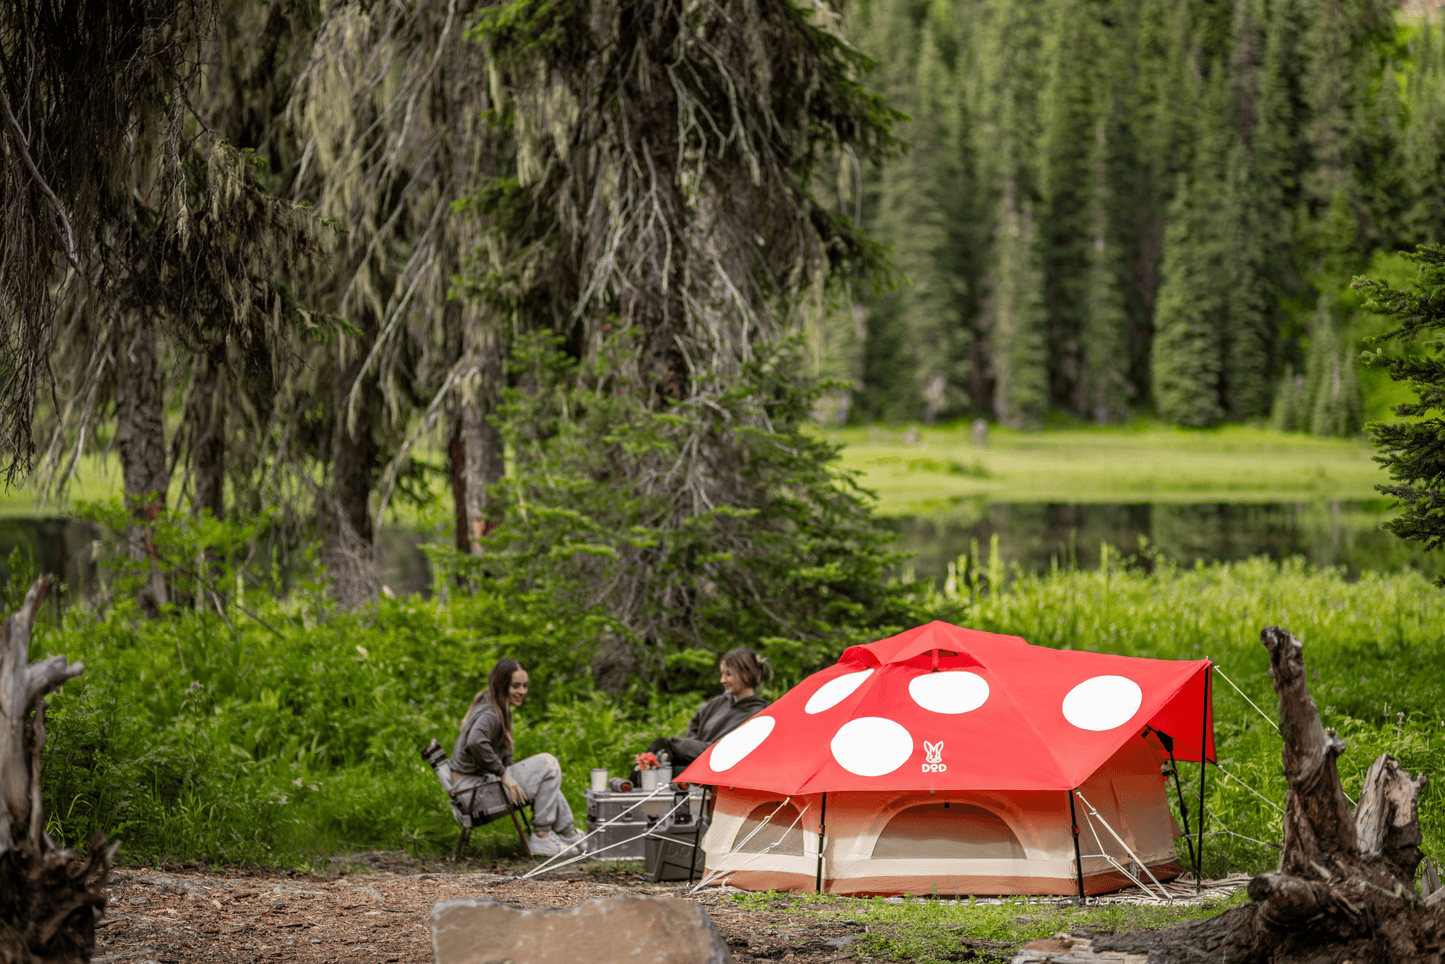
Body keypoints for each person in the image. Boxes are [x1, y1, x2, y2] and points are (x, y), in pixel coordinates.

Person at [446, 657, 586, 858]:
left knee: (545, 775)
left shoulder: (498, 708)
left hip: (477, 789)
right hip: (473, 795)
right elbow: (475, 742)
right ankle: (543, 837)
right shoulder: (490, 713)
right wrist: (506, 777)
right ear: (502, 685)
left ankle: (567, 833)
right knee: (549, 763)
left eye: (525, 686)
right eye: (516, 686)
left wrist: (517, 778)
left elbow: (504, 758)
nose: (522, 691)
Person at [634, 647, 771, 780]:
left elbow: (733, 753)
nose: (722, 680)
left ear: (747, 675)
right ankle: (630, 793)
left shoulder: (758, 714)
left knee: (662, 745)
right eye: (722, 674)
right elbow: (694, 730)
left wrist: (686, 748)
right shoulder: (717, 703)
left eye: (728, 674)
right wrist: (689, 749)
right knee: (663, 764)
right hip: (696, 760)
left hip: (718, 770)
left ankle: (628, 788)